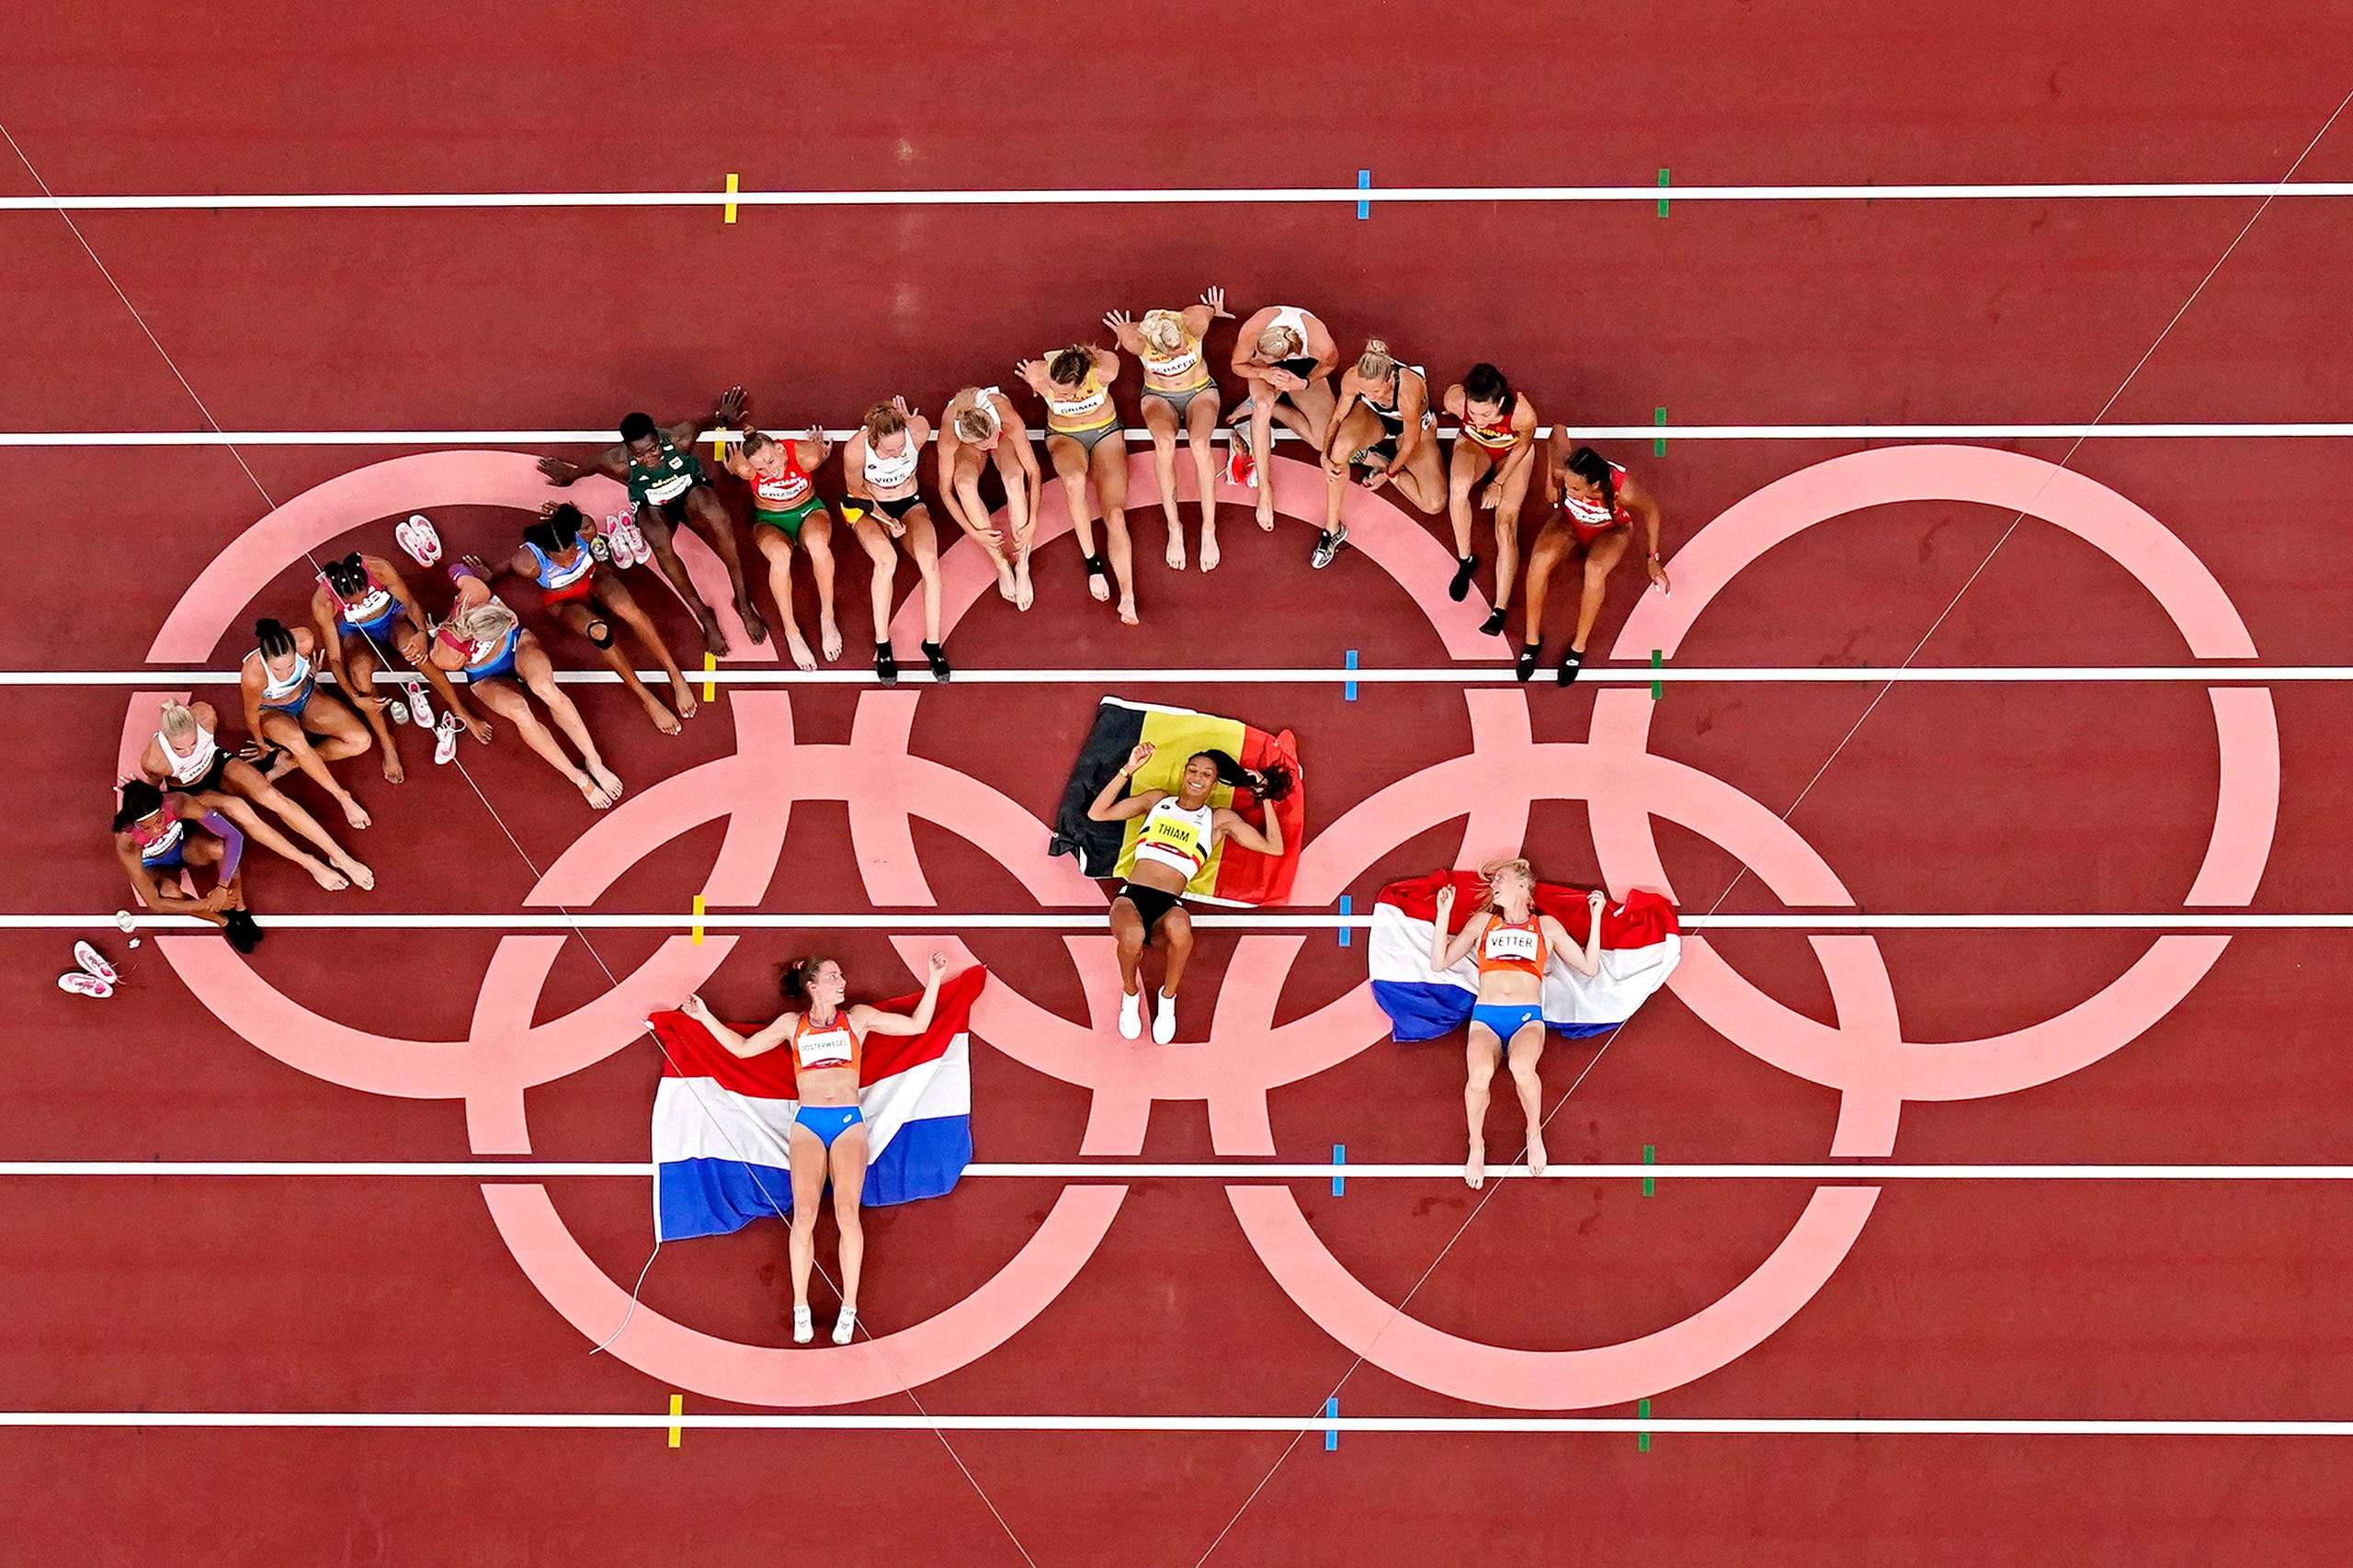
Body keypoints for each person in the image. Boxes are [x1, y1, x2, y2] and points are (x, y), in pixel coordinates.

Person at [679, 951, 954, 1347]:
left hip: (847, 1124)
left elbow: (917, 1025)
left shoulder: (857, 1019)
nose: (842, 982)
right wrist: (703, 1016)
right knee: (804, 1213)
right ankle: (800, 1307)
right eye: (833, 976)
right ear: (812, 986)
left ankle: (849, 1308)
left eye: (841, 975)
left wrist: (934, 978)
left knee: (846, 1212)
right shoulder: (793, 1026)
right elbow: (742, 1050)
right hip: (808, 1123)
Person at [536, 389, 770, 656]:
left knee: (719, 517)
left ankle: (742, 601)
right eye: (641, 454)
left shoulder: (681, 437)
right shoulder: (617, 462)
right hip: (655, 507)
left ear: (660, 437)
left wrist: (722, 417)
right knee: (658, 542)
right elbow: (585, 470)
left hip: (690, 496)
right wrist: (569, 476)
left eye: (653, 449)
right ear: (628, 451)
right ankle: (705, 617)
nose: (650, 457)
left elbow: (710, 422)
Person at [1085, 743, 1289, 1044]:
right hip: (1132, 895)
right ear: (1184, 773)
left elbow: (1275, 847)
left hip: (1169, 904)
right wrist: (1128, 769)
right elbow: (1098, 813)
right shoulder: (1157, 801)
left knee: (1181, 928)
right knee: (1131, 937)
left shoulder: (1218, 819)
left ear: (1214, 783)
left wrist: (1264, 797)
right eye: (1193, 770)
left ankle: (1167, 1000)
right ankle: (1130, 994)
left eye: (1206, 774)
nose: (1197, 777)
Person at [1428, 859, 1604, 1188]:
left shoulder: (1546, 928)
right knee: (1479, 1076)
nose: (1494, 885)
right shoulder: (1483, 924)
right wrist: (1444, 912)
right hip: (1485, 1018)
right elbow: (1440, 962)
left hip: (1526, 1019)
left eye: (1501, 880)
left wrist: (1596, 918)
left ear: (1522, 887)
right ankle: (1476, 1144)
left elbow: (1589, 967)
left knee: (1523, 1069)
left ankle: (1533, 1132)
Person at [400, 567, 625, 809]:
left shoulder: (475, 593)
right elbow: (441, 661)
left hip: (518, 645)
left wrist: (469, 574)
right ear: (483, 637)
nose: (510, 620)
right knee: (520, 712)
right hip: (484, 674)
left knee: (545, 688)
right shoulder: (448, 656)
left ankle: (594, 761)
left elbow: (454, 568)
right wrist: (430, 634)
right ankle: (579, 778)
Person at [483, 505, 698, 732]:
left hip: (595, 579)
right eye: (560, 561)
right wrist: (490, 575)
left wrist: (565, 512)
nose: (568, 563)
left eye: (572, 554)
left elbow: (576, 517)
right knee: (600, 632)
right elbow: (509, 567)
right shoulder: (528, 564)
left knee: (629, 610)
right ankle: (646, 698)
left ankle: (675, 675)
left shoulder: (585, 530)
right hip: (563, 601)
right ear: (545, 553)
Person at [136, 698, 373, 892]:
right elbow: (155, 792)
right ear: (167, 740)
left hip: (218, 765)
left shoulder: (205, 716)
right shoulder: (155, 760)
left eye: (192, 743)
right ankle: (310, 863)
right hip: (191, 790)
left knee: (272, 797)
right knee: (240, 808)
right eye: (180, 749)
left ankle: (339, 856)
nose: (188, 751)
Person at [310, 551, 489, 768]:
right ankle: (387, 742)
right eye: (356, 602)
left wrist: (421, 633)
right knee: (359, 675)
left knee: (414, 651)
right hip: (358, 635)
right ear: (341, 598)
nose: (365, 601)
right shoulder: (323, 602)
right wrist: (355, 697)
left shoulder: (378, 567)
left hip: (393, 619)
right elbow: (335, 658)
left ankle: (460, 710)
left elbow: (410, 603)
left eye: (366, 595)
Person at [1519, 442, 1672, 684]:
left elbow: (1651, 510)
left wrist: (1652, 559)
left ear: (1595, 485)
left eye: (1575, 488)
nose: (1568, 490)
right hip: (1570, 523)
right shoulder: (1565, 471)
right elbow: (1557, 431)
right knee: (1539, 561)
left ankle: (1577, 648)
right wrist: (1550, 479)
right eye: (1567, 485)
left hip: (1610, 530)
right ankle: (1531, 641)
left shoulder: (1622, 490)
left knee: (1594, 570)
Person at [1104, 288, 1232, 572]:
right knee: (1163, 444)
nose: (1184, 351)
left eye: (1184, 347)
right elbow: (1126, 334)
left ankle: (1208, 528)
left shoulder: (1195, 321)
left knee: (1200, 445)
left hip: (1200, 392)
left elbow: (1211, 310)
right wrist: (1124, 330)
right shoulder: (1137, 342)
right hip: (1159, 397)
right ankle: (1174, 526)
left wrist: (1215, 309)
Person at [1017, 342, 1136, 624]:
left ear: (1084, 380)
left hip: (1105, 431)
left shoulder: (1105, 370)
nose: (1059, 395)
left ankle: (1128, 595)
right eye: (1054, 391)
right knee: (1073, 481)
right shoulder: (1039, 374)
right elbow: (1037, 380)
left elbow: (1107, 356)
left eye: (1065, 393)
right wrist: (1035, 382)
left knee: (1116, 516)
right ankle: (1093, 564)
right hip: (1064, 436)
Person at [841, 398, 950, 685]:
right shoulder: (856, 449)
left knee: (930, 563)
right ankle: (883, 644)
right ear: (874, 439)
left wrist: (909, 423)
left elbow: (917, 428)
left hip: (909, 503)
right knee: (886, 561)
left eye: (901, 447)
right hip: (868, 507)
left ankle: (933, 644)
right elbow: (857, 494)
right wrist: (889, 522)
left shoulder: (918, 431)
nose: (898, 453)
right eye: (890, 451)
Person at [239, 617, 380, 829]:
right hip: (272, 712)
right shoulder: (254, 675)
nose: (286, 673)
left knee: (361, 741)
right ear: (266, 662)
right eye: (278, 670)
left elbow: (310, 666)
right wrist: (261, 745)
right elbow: (250, 714)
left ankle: (293, 761)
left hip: (306, 697)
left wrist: (308, 673)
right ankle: (343, 798)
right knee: (297, 740)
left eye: (290, 665)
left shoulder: (305, 640)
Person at [722, 426, 843, 671]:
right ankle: (792, 631)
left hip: (808, 512)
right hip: (770, 521)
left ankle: (827, 618)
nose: (769, 471)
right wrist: (731, 466)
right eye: (761, 469)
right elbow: (735, 467)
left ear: (780, 449)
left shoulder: (805, 457)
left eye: (771, 461)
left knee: (818, 545)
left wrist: (821, 451)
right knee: (780, 556)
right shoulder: (747, 469)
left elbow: (820, 453)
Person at [1318, 339, 1445, 566]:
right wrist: (1325, 457)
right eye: (1365, 391)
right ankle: (1332, 530)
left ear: (1390, 380)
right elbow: (1338, 417)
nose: (1371, 395)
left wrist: (1389, 474)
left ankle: (1382, 462)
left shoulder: (1408, 391)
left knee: (1433, 503)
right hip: (1374, 418)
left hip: (1411, 429)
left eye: (1375, 391)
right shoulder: (1354, 378)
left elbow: (1410, 442)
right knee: (1339, 453)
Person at [1441, 364, 1542, 636]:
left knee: (1505, 525)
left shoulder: (1522, 414)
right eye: (1473, 413)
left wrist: (1498, 482)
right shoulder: (1455, 400)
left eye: (1486, 413)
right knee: (1459, 488)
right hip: (1475, 446)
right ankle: (1466, 561)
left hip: (1512, 454)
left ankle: (1499, 609)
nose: (1480, 418)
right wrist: (1465, 417)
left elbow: (1523, 444)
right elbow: (1452, 406)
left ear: (1499, 402)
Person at [1227, 303, 1339, 543]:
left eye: (1267, 360)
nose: (1258, 357)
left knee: (1323, 440)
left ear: (1286, 356)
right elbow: (1237, 365)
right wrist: (1263, 372)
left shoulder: (1319, 343)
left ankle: (1269, 405)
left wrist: (1304, 383)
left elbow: (1330, 364)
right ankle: (1265, 491)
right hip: (1265, 370)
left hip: (1302, 366)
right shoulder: (1253, 331)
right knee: (1262, 406)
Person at [111, 779, 264, 952]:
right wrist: (209, 903)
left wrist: (222, 888)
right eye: (146, 827)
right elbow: (155, 903)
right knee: (169, 893)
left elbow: (234, 836)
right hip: (157, 867)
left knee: (218, 849)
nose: (155, 830)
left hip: (184, 848)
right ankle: (225, 922)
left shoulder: (178, 803)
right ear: (135, 823)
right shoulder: (127, 843)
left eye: (159, 821)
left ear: (163, 808)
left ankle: (241, 911)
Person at [936, 385, 1043, 611]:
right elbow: (946, 491)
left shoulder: (1007, 419)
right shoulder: (950, 437)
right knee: (963, 484)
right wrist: (973, 533)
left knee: (1014, 479)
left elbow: (1033, 472)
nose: (992, 447)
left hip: (997, 430)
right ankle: (1000, 563)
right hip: (971, 444)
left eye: (993, 440)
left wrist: (1032, 522)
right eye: (986, 446)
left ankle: (1023, 564)